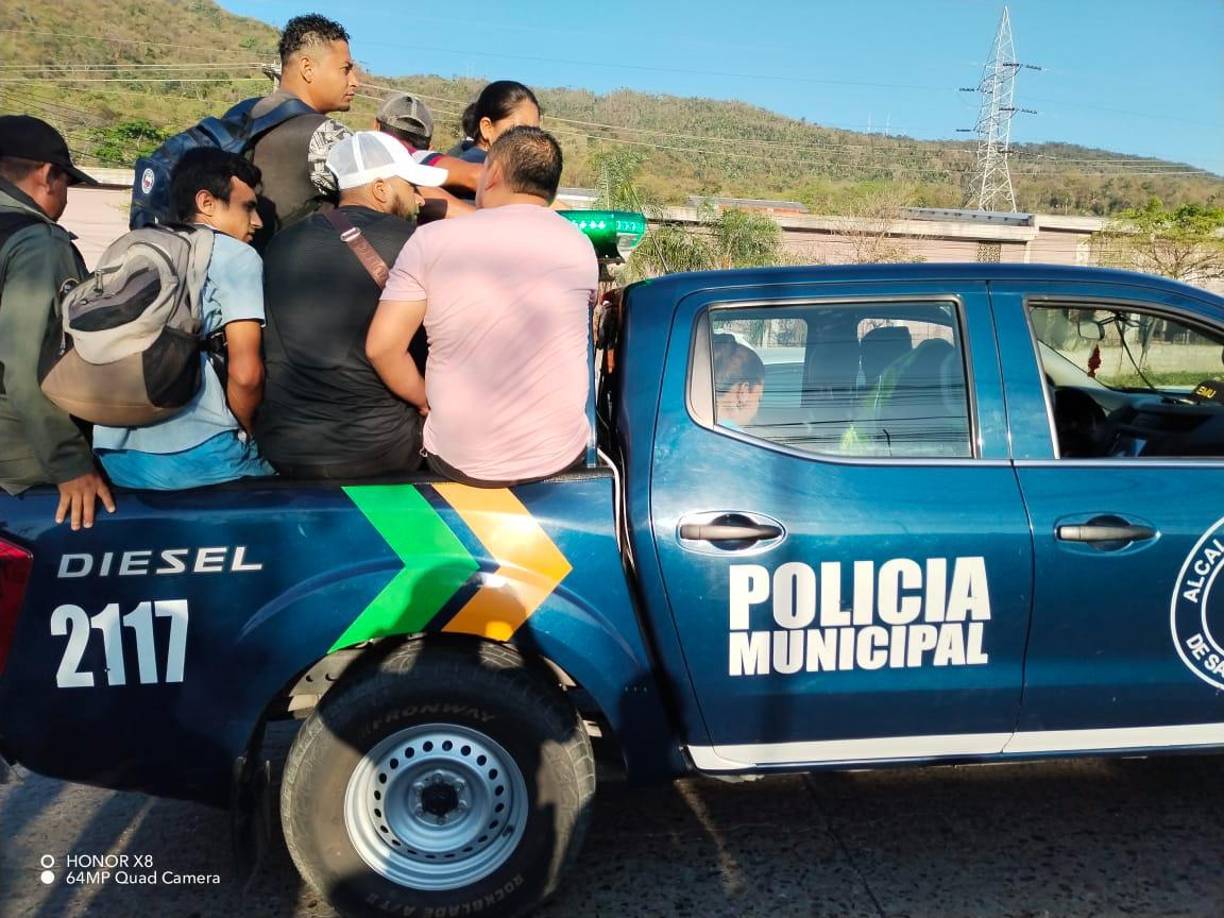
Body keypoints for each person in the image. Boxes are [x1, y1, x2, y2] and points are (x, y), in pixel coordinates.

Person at [368, 126, 596, 487]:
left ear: (494, 175)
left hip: (459, 461)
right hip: (558, 456)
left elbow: (382, 348)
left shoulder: (431, 240)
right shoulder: (580, 245)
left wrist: (424, 400)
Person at [256, 132, 446, 478]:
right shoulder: (414, 244)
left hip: (286, 447)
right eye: (410, 187)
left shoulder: (281, 242)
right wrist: (425, 401)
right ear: (380, 189)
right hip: (381, 448)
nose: (419, 199)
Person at [93, 149, 274, 490]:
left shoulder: (129, 246)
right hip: (202, 451)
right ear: (206, 202)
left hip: (115, 452)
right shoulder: (236, 255)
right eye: (248, 207)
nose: (257, 222)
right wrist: (247, 432)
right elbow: (246, 374)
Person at [0, 115, 116, 530]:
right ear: (47, 176)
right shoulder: (37, 243)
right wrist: (70, 464)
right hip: (20, 462)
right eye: (67, 182)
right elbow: (30, 366)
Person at [248, 13, 359, 247]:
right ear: (307, 68)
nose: (354, 81)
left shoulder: (242, 112)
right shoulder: (327, 134)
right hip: (288, 265)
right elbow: (378, 203)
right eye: (345, 69)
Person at [376, 93, 476, 220]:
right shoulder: (417, 157)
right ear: (429, 145)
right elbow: (475, 175)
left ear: (376, 126)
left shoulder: (359, 154)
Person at [446, 81, 541, 200]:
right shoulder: (483, 171)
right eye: (520, 130)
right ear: (487, 128)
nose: (530, 140)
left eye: (535, 132)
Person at [712, 334, 766, 430]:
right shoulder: (734, 437)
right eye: (759, 399)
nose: (757, 409)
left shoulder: (692, 422)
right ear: (743, 392)